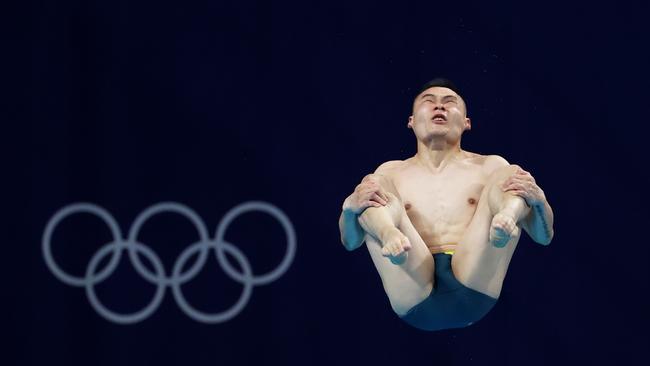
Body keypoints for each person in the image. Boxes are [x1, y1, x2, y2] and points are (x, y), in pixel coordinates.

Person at [338, 78, 554, 331]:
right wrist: (350, 208)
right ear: (411, 121)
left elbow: (543, 236)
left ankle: (506, 215)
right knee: (374, 183)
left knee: (508, 172)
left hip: (474, 281)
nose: (439, 107)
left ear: (466, 123)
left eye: (449, 103)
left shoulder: (489, 166)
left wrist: (538, 200)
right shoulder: (392, 172)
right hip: (412, 286)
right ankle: (389, 233)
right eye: (429, 102)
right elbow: (350, 242)